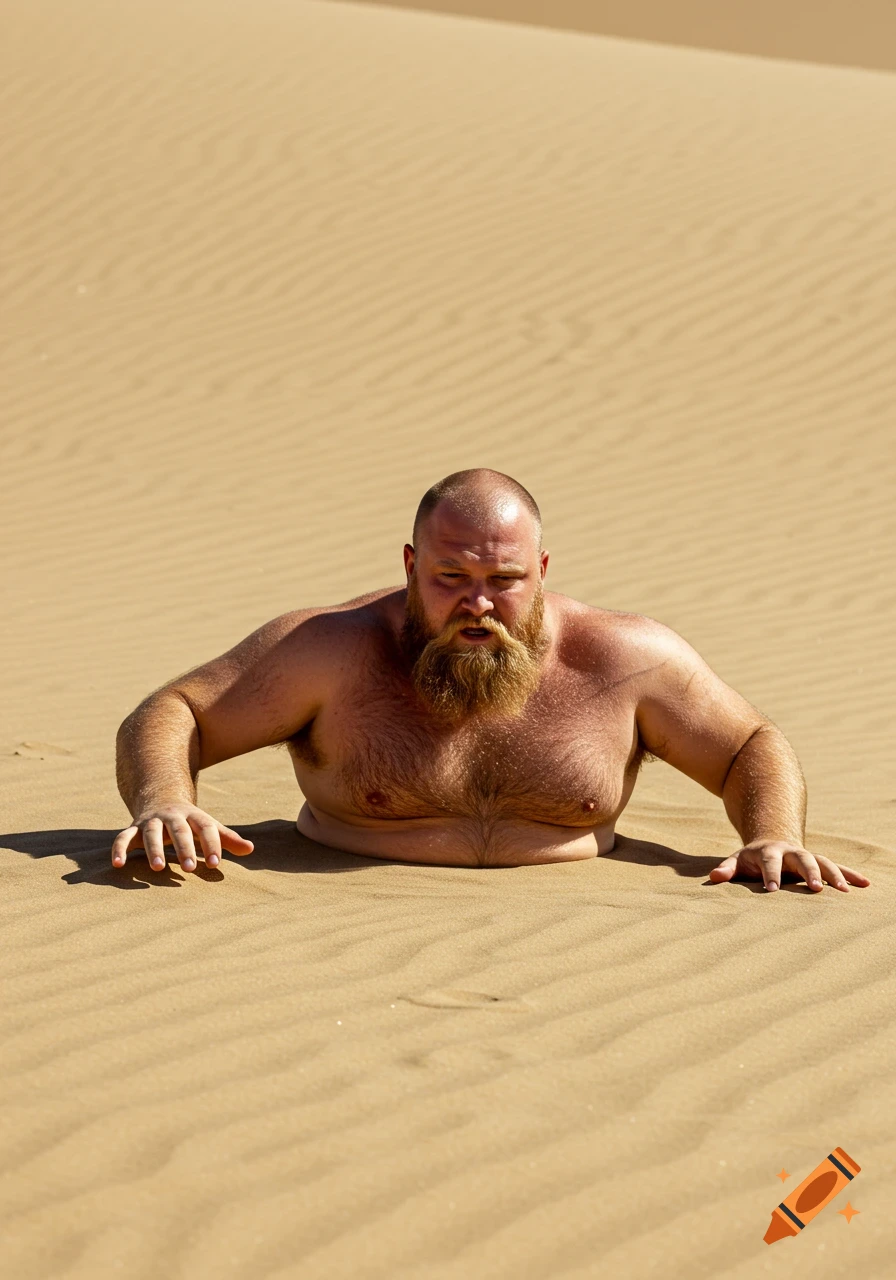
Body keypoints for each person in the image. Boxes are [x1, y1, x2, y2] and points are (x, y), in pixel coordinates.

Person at [112, 468, 870, 893]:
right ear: (410, 566)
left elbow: (749, 745)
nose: (478, 602)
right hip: (340, 944)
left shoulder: (626, 657)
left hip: (587, 968)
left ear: (541, 573)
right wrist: (166, 801)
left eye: (504, 579)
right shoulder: (329, 650)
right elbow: (175, 710)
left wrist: (772, 834)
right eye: (450, 577)